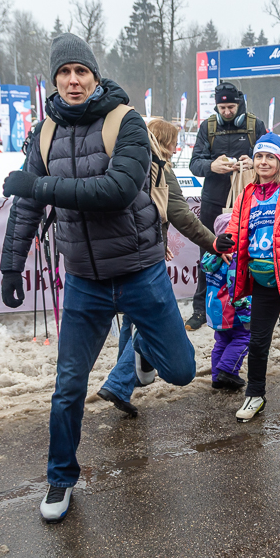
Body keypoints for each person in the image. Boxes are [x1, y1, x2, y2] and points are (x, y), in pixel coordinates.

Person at [0, 33, 196, 523]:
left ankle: (147, 351)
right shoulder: (45, 131)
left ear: (94, 75)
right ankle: (60, 477)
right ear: (54, 79)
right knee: (68, 386)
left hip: (139, 271)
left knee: (182, 372)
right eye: (63, 72)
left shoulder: (125, 121)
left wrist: (38, 184)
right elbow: (27, 206)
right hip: (84, 280)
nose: (72, 80)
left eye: (80, 71)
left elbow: (117, 188)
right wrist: (10, 263)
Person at [95, 118, 233, 417]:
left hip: (120, 256)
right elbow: (182, 215)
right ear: (163, 141)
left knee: (133, 321)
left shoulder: (122, 160)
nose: (175, 146)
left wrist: (158, 237)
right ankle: (120, 382)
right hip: (143, 262)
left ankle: (120, 386)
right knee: (152, 323)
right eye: (173, 140)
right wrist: (214, 243)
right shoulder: (158, 167)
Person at [224, 133, 280, 422]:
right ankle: (255, 394)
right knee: (258, 342)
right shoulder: (246, 194)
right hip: (261, 280)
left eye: (270, 157)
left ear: (279, 161)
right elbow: (235, 231)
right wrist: (221, 243)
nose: (263, 162)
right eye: (259, 156)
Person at [186, 82, 267, 331]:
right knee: (208, 252)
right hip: (213, 199)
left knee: (250, 251)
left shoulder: (255, 125)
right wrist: (212, 166)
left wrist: (253, 161)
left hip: (248, 199)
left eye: (231, 107)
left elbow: (271, 157)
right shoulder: (207, 127)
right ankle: (200, 308)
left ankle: (259, 306)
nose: (227, 112)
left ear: (239, 103)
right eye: (222, 107)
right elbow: (194, 163)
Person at [202, 213, 251, 390]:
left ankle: (217, 378)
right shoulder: (233, 257)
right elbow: (235, 287)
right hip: (234, 311)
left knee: (222, 341)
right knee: (245, 337)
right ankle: (228, 371)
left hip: (216, 310)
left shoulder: (210, 256)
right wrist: (247, 314)